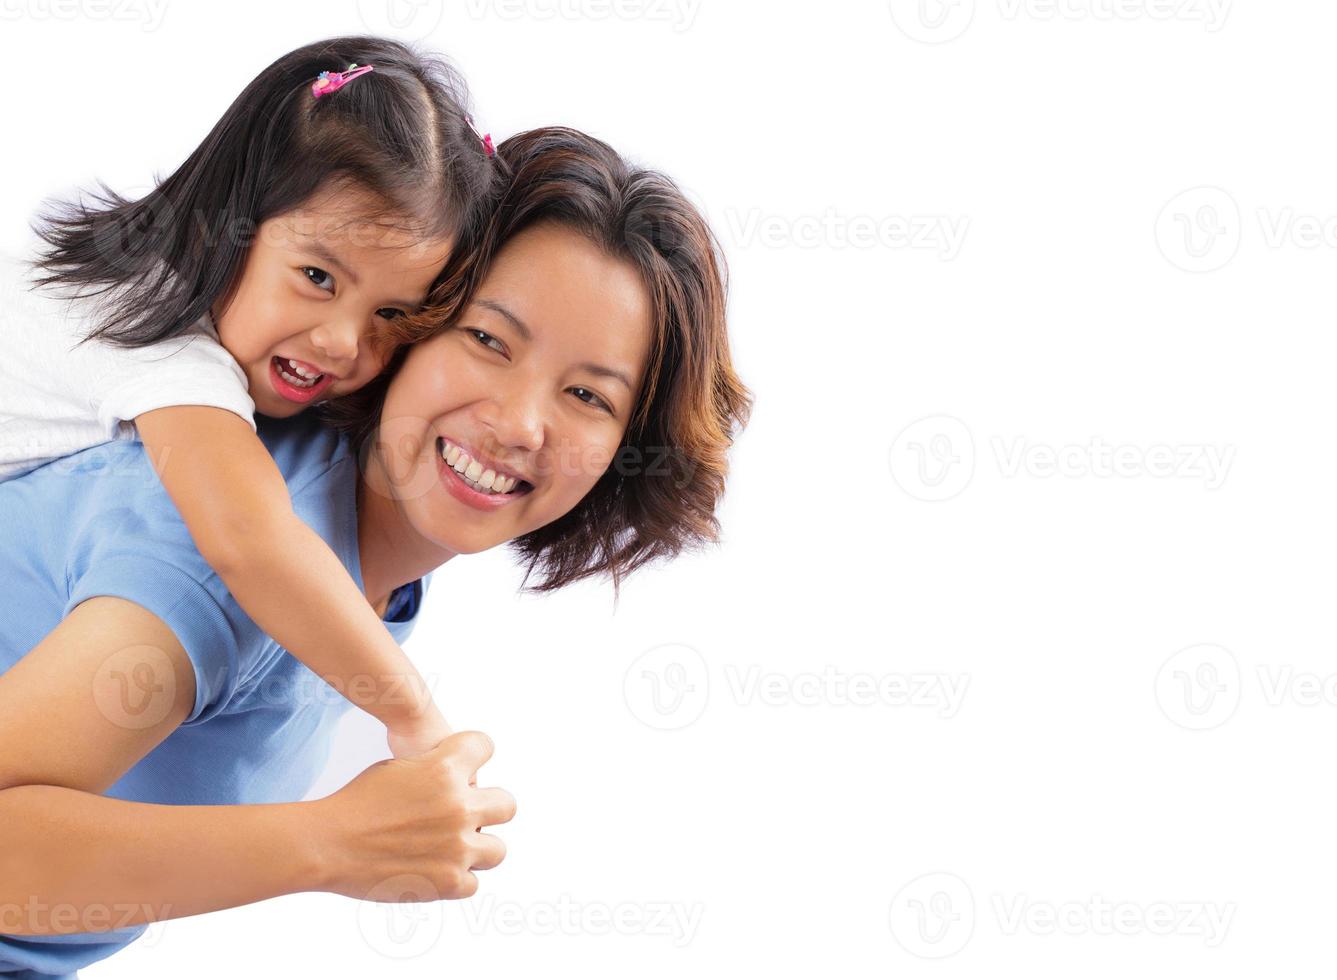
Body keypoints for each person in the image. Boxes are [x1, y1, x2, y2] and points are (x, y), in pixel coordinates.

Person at [0, 126, 753, 978]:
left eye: (586, 395)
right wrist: (329, 843)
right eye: (487, 340)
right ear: (407, 327)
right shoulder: (225, 557)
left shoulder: (363, 572)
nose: (518, 425)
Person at [0, 35, 498, 766]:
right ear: (228, 223)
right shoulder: (152, 338)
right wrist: (415, 717)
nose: (342, 342)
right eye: (318, 277)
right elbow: (247, 536)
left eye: (392, 315)